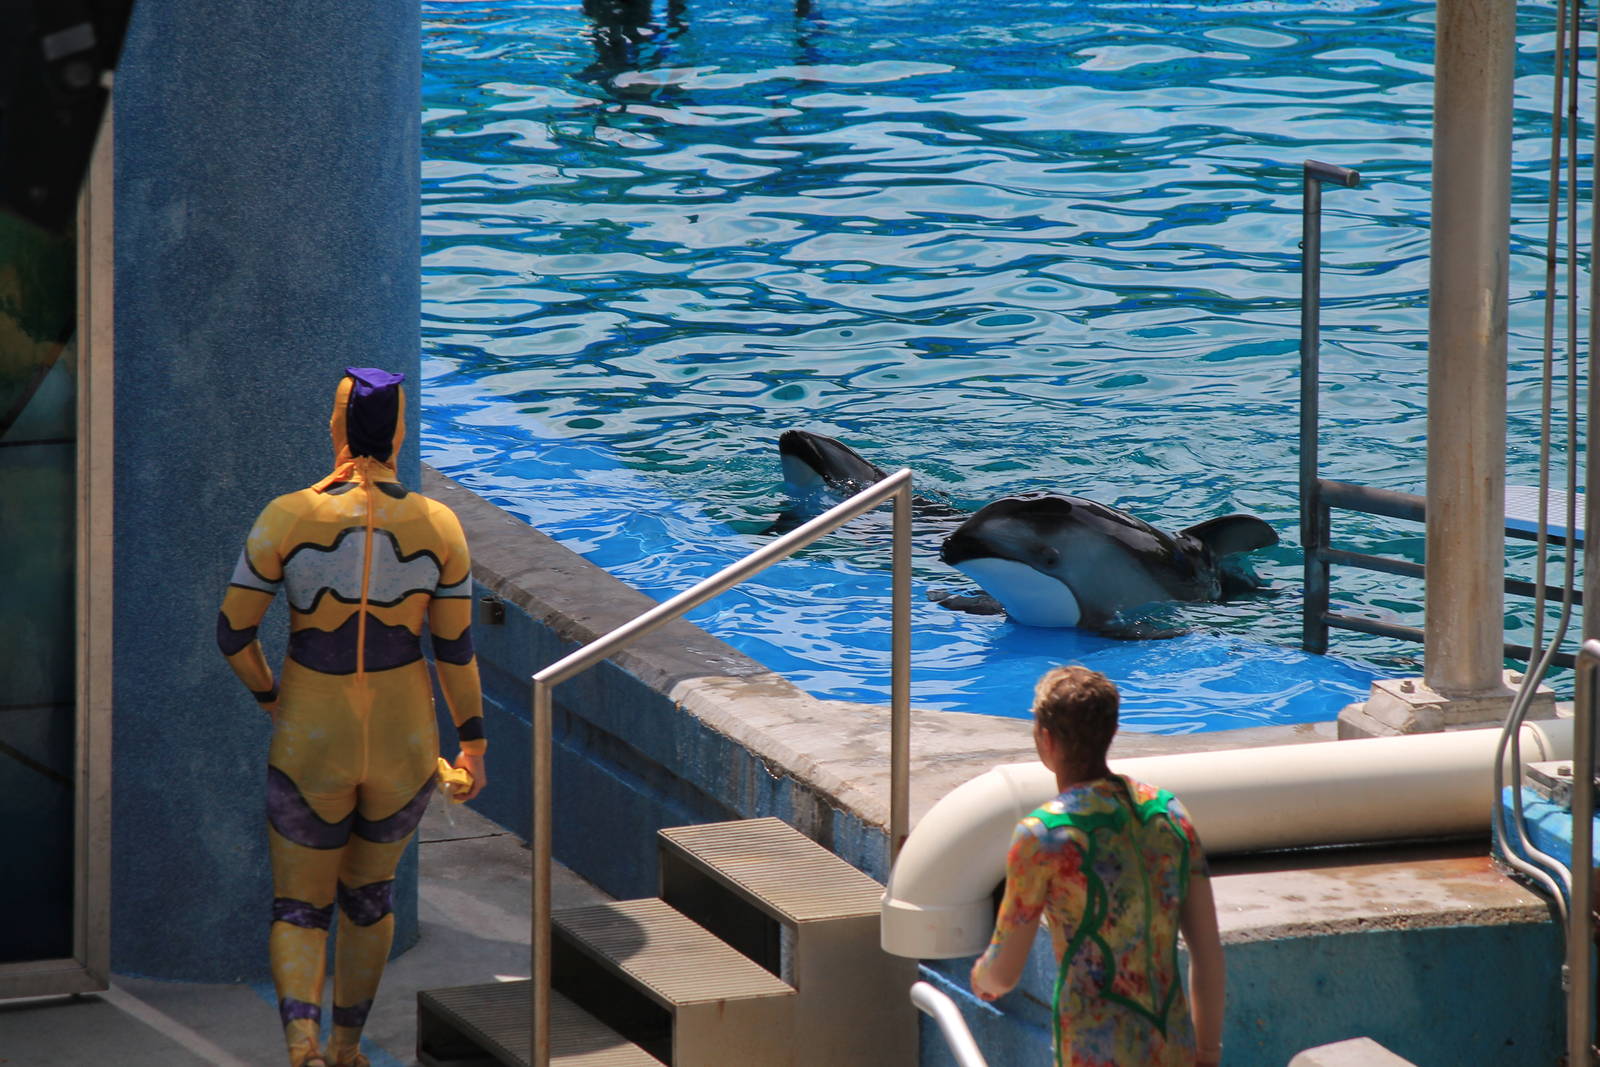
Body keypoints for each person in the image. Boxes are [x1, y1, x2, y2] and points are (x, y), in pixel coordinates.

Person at [217, 368, 488, 1067]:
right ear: (398, 432)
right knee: (369, 896)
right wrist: (474, 746)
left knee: (301, 908)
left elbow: (232, 635)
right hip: (405, 744)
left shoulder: (287, 516)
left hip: (314, 732)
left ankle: (302, 1046)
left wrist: (270, 697)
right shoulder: (440, 526)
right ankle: (346, 1048)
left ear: (334, 429)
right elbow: (455, 651)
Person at [970, 665, 1224, 1066]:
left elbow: (1003, 974)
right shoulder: (1169, 813)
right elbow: (1207, 952)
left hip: (1094, 1051)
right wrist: (1207, 1051)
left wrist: (980, 978)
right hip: (1171, 1045)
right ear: (1112, 731)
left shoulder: (1044, 835)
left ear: (1046, 739)